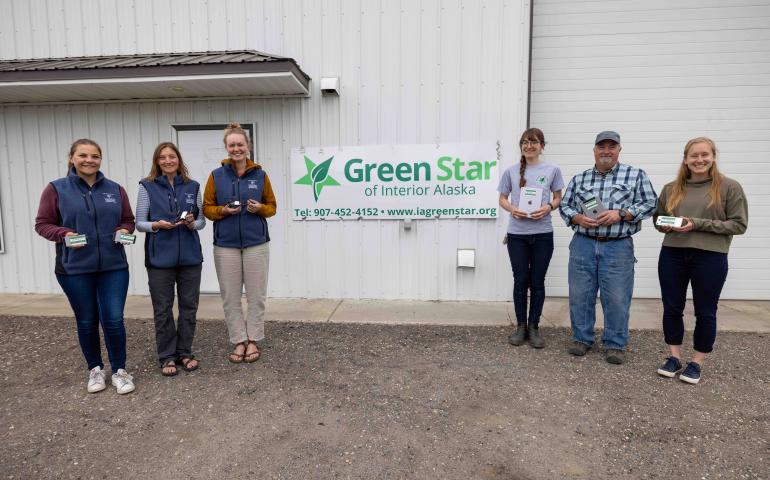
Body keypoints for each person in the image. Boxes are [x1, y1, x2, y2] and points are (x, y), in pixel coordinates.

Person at [34, 139, 137, 394]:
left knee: (113, 319)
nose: (89, 160)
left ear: (100, 159)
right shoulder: (56, 189)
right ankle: (95, 369)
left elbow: (128, 220)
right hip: (74, 269)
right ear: (72, 158)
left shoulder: (115, 189)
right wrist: (64, 234)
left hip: (113, 267)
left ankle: (120, 371)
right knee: (87, 320)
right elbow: (42, 224)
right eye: (83, 155)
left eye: (95, 156)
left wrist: (124, 229)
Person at [653, 137, 748, 384]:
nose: (699, 160)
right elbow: (658, 220)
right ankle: (673, 357)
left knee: (706, 311)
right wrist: (666, 224)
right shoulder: (671, 188)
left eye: (704, 155)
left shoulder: (729, 187)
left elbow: (739, 224)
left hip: (711, 256)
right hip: (673, 253)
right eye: (694, 155)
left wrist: (696, 224)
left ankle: (697, 361)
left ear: (713, 156)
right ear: (685, 159)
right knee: (672, 307)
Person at [559, 131, 657, 364]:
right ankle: (581, 339)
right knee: (580, 295)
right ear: (594, 150)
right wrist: (577, 219)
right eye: (601, 146)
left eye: (611, 147)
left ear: (619, 150)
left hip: (618, 246)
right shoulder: (580, 178)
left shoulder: (635, 175)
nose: (606, 151)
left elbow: (651, 202)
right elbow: (565, 205)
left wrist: (622, 214)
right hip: (583, 244)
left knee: (617, 298)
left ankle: (615, 344)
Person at [203, 123, 277, 364]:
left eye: (240, 144)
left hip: (256, 244)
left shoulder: (260, 175)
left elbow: (272, 207)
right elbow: (207, 209)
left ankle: (254, 339)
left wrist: (260, 209)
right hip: (226, 246)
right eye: (232, 145)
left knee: (256, 296)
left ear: (248, 147)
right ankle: (238, 340)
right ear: (226, 148)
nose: (236, 148)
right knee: (230, 296)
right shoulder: (216, 176)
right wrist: (223, 211)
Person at [136, 142, 206, 377]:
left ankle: (185, 352)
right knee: (163, 309)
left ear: (179, 159)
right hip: (159, 259)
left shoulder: (193, 186)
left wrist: (191, 224)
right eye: (163, 157)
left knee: (189, 307)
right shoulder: (146, 187)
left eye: (172, 156)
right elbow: (139, 223)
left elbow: (201, 222)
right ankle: (167, 355)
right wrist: (156, 225)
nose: (168, 161)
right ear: (157, 161)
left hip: (190, 256)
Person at [498, 128, 564, 348]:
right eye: (525, 142)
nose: (529, 146)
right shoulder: (511, 171)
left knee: (537, 282)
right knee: (520, 281)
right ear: (521, 146)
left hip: (543, 234)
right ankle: (520, 327)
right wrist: (512, 209)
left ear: (542, 146)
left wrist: (547, 208)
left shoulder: (553, 170)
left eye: (534, 142)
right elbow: (502, 198)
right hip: (517, 235)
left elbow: (557, 198)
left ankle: (534, 327)